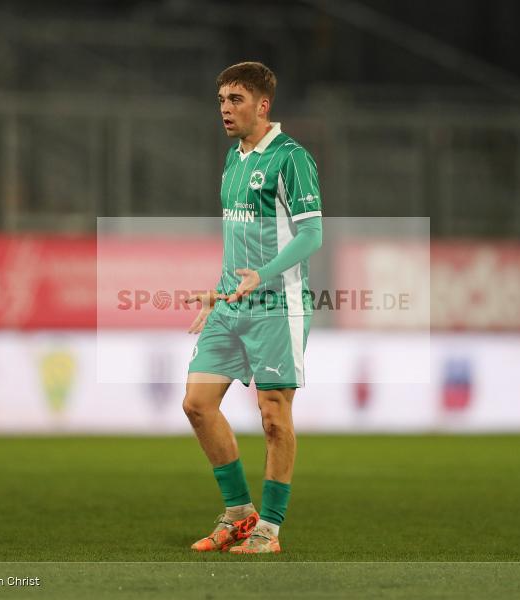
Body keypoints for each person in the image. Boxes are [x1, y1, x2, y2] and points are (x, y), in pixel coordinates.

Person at [183, 61, 323, 554]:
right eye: (221, 99)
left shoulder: (291, 158)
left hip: (276, 304)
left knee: (273, 416)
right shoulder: (233, 158)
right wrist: (218, 292)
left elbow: (312, 235)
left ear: (263, 106)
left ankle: (270, 529)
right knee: (197, 405)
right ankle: (241, 514)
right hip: (231, 303)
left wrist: (261, 276)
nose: (224, 108)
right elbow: (239, 237)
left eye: (235, 99)